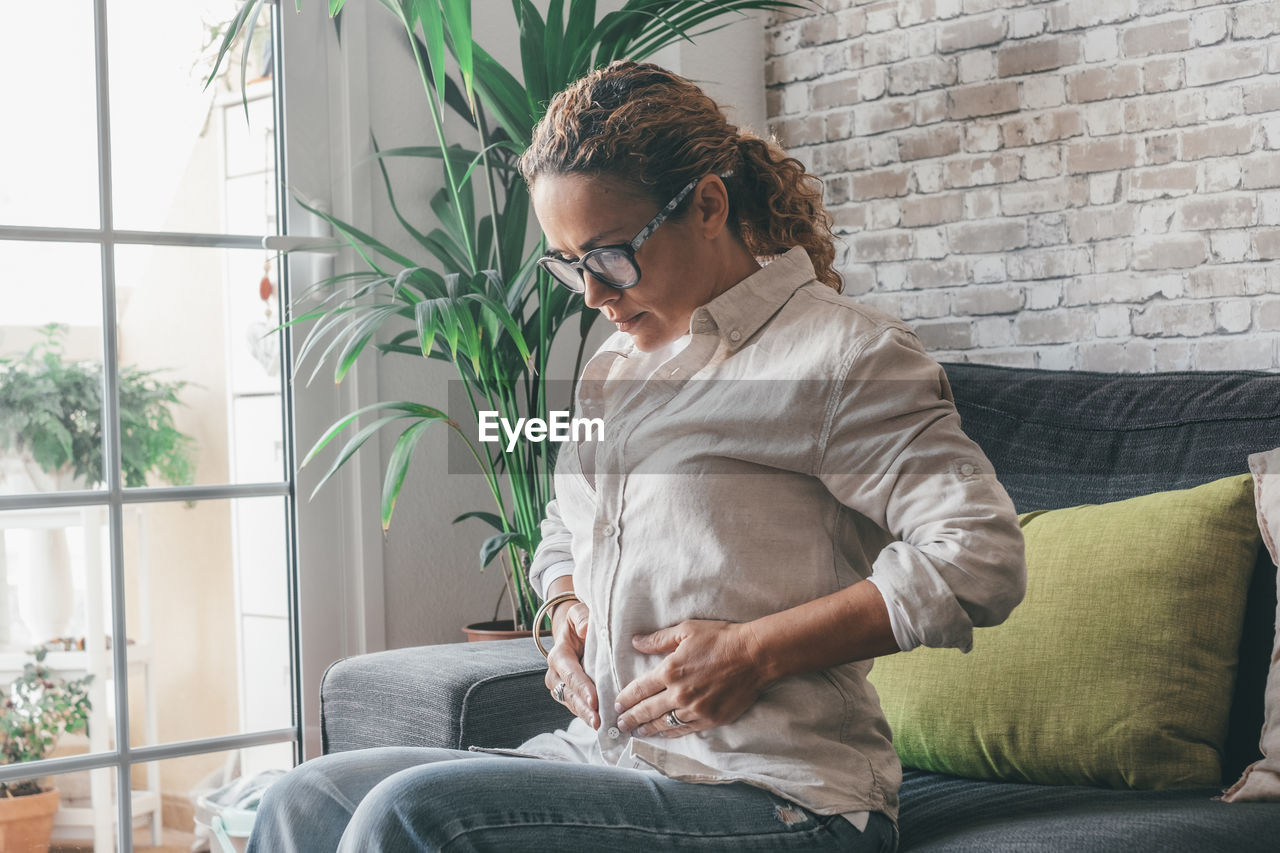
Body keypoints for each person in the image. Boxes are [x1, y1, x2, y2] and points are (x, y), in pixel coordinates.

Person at [247, 61, 1026, 853]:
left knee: (412, 815)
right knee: (307, 796)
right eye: (567, 263)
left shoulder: (840, 355)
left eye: (609, 255)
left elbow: (979, 556)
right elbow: (562, 530)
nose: (590, 293)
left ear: (709, 206)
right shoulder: (613, 372)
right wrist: (566, 610)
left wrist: (755, 651)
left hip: (778, 792)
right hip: (606, 757)